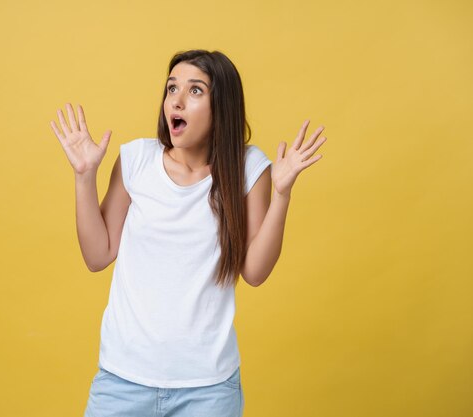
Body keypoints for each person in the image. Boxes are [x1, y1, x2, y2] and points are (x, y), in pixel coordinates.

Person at [49, 49, 327, 417]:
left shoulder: (249, 168)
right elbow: (97, 255)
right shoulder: (136, 160)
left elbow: (255, 272)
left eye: (195, 91)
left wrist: (281, 194)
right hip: (123, 380)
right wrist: (84, 177)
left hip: (208, 390)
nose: (176, 100)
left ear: (221, 107)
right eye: (171, 88)